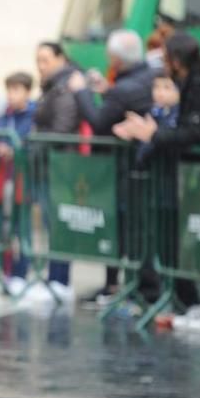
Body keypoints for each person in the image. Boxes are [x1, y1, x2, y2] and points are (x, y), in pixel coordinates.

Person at [116, 32, 200, 333]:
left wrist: (153, 135)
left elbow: (196, 133)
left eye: (164, 59)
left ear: (175, 61)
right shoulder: (198, 84)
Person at [67, 29, 154, 308]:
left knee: (121, 229)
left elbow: (98, 121)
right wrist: (107, 90)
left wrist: (81, 92)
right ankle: (123, 285)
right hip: (138, 169)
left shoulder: (125, 89)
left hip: (123, 171)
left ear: (115, 58)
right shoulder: (145, 78)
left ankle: (118, 285)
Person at [31, 41, 82, 302]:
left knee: (58, 227)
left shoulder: (63, 89)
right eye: (38, 60)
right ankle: (54, 279)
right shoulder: (54, 87)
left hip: (60, 166)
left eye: (46, 60)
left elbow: (62, 129)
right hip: (50, 164)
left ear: (61, 58)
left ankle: (60, 281)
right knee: (52, 226)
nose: (41, 66)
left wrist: (32, 143)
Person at [0, 71, 35, 290]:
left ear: (27, 92)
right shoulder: (4, 117)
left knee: (20, 227)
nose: (11, 95)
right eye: (9, 90)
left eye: (16, 90)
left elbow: (28, 142)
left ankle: (20, 272)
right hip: (1, 178)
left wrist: (13, 149)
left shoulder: (33, 117)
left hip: (21, 179)